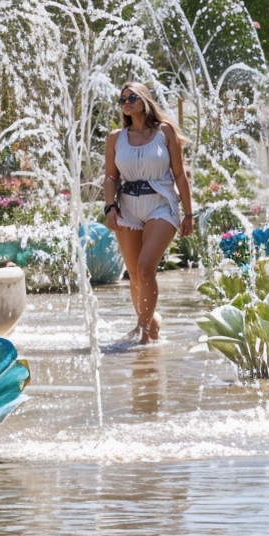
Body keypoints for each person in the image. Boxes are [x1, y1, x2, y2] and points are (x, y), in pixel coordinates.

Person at [99, 82, 193, 345]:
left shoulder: (165, 132)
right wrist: (110, 206)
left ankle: (141, 330)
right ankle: (151, 324)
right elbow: (110, 177)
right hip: (127, 206)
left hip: (160, 203)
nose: (126, 102)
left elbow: (180, 174)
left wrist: (188, 214)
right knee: (134, 275)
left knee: (144, 268)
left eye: (132, 97)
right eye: (122, 100)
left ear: (145, 100)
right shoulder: (115, 138)